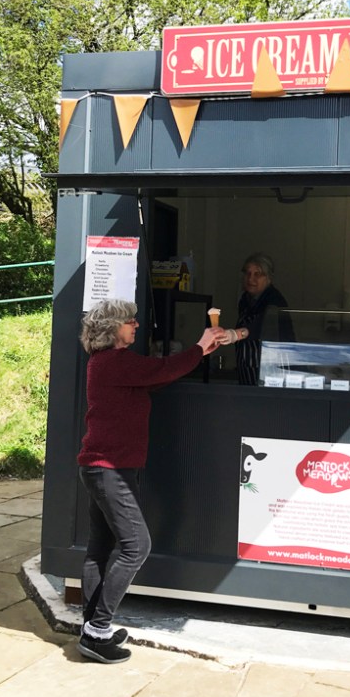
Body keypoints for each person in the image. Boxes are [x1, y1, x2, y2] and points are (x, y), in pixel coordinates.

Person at [76, 298, 223, 664]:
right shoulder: (115, 362)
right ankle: (98, 631)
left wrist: (196, 353)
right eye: (130, 321)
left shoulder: (108, 365)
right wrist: (200, 347)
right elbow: (162, 369)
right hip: (110, 470)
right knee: (135, 547)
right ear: (113, 329)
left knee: (100, 548)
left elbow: (155, 377)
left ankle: (93, 625)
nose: (136, 325)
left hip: (101, 468)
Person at [218, 252, 289, 385]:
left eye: (257, 274)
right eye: (248, 273)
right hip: (245, 371)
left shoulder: (275, 300)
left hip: (270, 372)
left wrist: (236, 334)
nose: (250, 279)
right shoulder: (245, 300)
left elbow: (261, 325)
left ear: (268, 278)